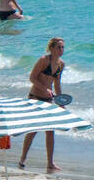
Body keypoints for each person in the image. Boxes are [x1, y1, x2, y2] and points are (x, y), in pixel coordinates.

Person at [18, 38, 64, 172]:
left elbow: (57, 84)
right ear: (52, 48)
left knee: (50, 131)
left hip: (48, 100)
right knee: (33, 130)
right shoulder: (44, 60)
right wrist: (45, 89)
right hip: (35, 97)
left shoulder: (61, 64)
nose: (61, 50)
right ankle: (22, 159)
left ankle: (50, 163)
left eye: (63, 47)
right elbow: (32, 78)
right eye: (58, 47)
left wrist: (60, 101)